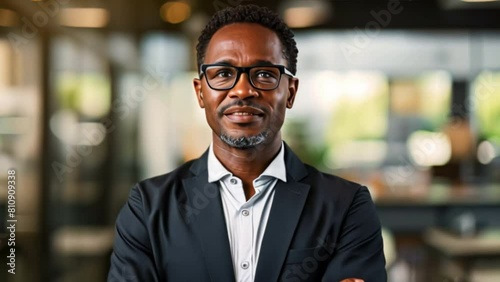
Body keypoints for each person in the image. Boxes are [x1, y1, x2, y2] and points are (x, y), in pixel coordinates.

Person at [108, 4, 386, 282]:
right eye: (223, 74)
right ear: (200, 92)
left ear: (290, 92)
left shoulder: (346, 206)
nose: (242, 90)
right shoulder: (147, 208)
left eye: (264, 74)